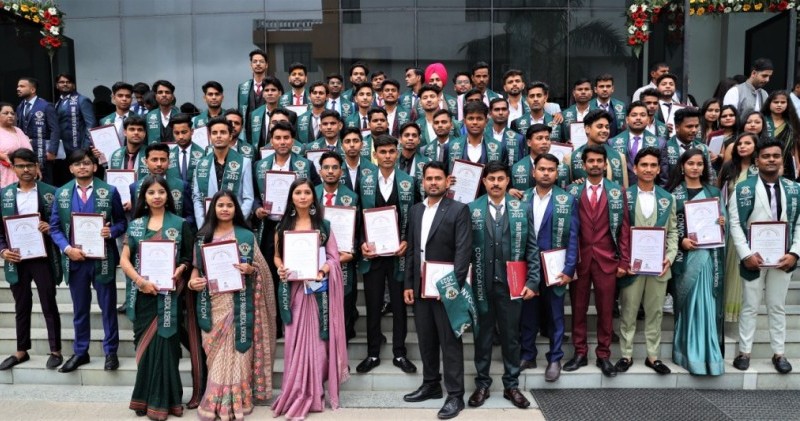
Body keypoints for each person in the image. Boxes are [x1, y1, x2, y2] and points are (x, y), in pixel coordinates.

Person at [187, 190, 276, 420]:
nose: (225, 209)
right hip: (213, 303)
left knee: (238, 351)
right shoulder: (202, 237)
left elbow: (262, 270)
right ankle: (214, 399)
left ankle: (238, 400)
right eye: (220, 205)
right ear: (213, 209)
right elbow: (196, 269)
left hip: (240, 304)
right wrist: (192, 282)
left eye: (229, 205)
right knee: (216, 354)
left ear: (236, 209)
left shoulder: (246, 236)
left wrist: (251, 269)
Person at [271, 179, 348, 420]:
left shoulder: (323, 226)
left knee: (318, 345)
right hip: (294, 291)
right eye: (298, 192)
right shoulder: (282, 226)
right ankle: (295, 391)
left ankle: (315, 392)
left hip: (317, 292)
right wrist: (280, 268)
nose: (303, 196)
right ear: (291, 197)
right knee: (294, 342)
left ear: (313, 197)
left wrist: (322, 271)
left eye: (307, 192)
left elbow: (334, 257)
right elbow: (277, 256)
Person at [119, 175, 193, 419]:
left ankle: (167, 401)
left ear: (168, 196)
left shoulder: (180, 224)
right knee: (146, 348)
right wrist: (140, 281)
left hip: (169, 296)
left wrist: (181, 269)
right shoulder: (136, 225)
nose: (157, 196)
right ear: (144, 197)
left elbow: (188, 257)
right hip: (144, 295)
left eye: (161, 191)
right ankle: (144, 398)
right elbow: (124, 260)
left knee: (167, 348)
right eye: (151, 192)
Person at [403, 161, 471, 420]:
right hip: (421, 287)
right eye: (429, 178)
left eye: (438, 178)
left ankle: (455, 395)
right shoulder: (416, 210)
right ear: (423, 182)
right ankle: (431, 384)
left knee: (450, 341)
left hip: (446, 289)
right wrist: (409, 284)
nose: (433, 182)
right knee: (426, 338)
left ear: (447, 181)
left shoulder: (458, 209)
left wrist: (452, 287)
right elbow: (412, 250)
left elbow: (463, 251)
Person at [49, 149, 127, 373]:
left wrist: (111, 232)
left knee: (108, 307)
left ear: (94, 166)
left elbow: (122, 222)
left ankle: (110, 351)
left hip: (102, 259)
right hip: (76, 260)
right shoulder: (61, 193)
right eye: (77, 164)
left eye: (86, 163)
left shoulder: (109, 191)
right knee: (80, 308)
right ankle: (80, 351)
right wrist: (67, 249)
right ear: (70, 168)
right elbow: (54, 228)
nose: (82, 167)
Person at [729, 138, 799, 374]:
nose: (771, 160)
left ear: (781, 160)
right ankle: (744, 352)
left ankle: (779, 353)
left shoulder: (794, 189)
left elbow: (799, 224)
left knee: (777, 306)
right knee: (750, 305)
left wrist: (794, 252)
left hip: (783, 258)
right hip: (754, 258)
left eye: (775, 156)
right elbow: (735, 223)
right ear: (757, 160)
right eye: (766, 156)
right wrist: (746, 254)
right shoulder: (743, 189)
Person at [466, 161, 532, 409]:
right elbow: (463, 248)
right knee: (482, 336)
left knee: (511, 337)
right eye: (491, 179)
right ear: (484, 182)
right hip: (481, 284)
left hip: (511, 285)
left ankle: (511, 385)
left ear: (507, 181)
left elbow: (532, 247)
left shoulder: (521, 208)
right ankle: (482, 384)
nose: (495, 183)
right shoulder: (471, 209)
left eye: (500, 178)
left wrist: (533, 281)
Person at [563, 144, 630, 378]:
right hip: (579, 259)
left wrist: (624, 261)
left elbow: (624, 229)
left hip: (607, 260)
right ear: (583, 165)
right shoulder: (571, 191)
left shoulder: (617, 191)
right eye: (590, 161)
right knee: (578, 309)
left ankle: (604, 355)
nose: (595, 164)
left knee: (605, 310)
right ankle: (580, 353)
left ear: (605, 164)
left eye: (599, 161)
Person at [355, 135, 418, 375]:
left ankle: (400, 353)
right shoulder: (364, 180)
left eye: (392, 151)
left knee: (400, 306)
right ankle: (373, 353)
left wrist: (407, 241)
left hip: (398, 254)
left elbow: (415, 217)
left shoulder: (408, 182)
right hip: (373, 255)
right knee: (373, 305)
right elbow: (357, 217)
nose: (388, 156)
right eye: (383, 152)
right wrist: (361, 243)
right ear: (375, 155)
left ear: (397, 153)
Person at [616, 148, 678, 375]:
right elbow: (618, 231)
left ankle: (653, 356)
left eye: (653, 165)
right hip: (632, 266)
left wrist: (669, 257)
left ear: (659, 169)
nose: (649, 169)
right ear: (635, 168)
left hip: (658, 266)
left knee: (655, 312)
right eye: (644, 165)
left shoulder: (668, 198)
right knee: (628, 311)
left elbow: (673, 232)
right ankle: (626, 354)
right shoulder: (624, 195)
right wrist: (624, 261)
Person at [0, 148, 62, 371]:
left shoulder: (51, 193)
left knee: (48, 302)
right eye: (20, 165)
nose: (25, 169)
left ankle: (55, 349)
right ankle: (21, 350)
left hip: (42, 256)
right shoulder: (4, 195)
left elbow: (63, 224)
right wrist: (2, 251)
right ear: (13, 168)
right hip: (16, 257)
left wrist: (50, 228)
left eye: (29, 165)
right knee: (21, 304)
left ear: (37, 166)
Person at [665, 149, 726, 376]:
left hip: (708, 258)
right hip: (685, 259)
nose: (695, 168)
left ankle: (709, 356)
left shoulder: (714, 192)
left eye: (699, 164)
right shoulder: (673, 194)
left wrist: (723, 223)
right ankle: (688, 353)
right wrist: (682, 241)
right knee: (689, 306)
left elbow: (724, 227)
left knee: (706, 304)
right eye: (690, 163)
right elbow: (669, 227)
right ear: (682, 166)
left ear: (704, 167)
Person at [521, 153, 579, 382]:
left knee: (556, 314)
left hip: (555, 266)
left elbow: (573, 236)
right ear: (533, 171)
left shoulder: (567, 200)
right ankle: (528, 354)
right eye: (542, 169)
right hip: (528, 266)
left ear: (557, 173)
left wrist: (570, 267)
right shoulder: (522, 198)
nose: (546, 173)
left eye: (551, 170)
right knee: (528, 312)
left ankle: (555, 358)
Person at [316, 151, 360, 341]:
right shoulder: (311, 194)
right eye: (326, 167)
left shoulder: (352, 197)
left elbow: (358, 231)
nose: (330, 171)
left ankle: (341, 348)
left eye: (335, 167)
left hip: (343, 259)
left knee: (344, 303)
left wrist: (353, 251)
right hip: (317, 260)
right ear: (320, 171)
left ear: (341, 172)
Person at [718, 134, 758, 323]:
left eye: (747, 143)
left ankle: (741, 314)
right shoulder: (729, 167)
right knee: (729, 268)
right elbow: (718, 193)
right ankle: (725, 313)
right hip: (729, 226)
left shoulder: (759, 169)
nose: (742, 146)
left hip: (751, 226)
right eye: (739, 143)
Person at [191, 117, 254, 229]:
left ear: (230, 136)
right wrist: (203, 226)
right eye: (214, 133)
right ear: (210, 137)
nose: (218, 136)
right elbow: (197, 199)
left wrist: (235, 224)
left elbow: (248, 198)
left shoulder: (244, 162)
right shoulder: (201, 164)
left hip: (236, 226)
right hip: (208, 226)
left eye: (223, 132)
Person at [564, 109, 628, 188]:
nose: (605, 130)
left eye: (607, 127)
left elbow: (625, 190)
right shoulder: (570, 158)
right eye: (600, 126)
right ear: (587, 129)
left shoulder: (619, 157)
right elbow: (567, 189)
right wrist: (576, 186)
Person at [609, 102, 664, 186]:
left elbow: (663, 177)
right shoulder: (612, 143)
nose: (638, 118)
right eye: (634, 115)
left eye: (642, 115)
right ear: (627, 119)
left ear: (648, 120)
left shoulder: (660, 143)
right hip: (622, 190)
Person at [55, 74, 96, 185]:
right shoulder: (58, 102)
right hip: (63, 151)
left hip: (79, 148)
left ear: (73, 85)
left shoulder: (82, 100)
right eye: (62, 82)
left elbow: (91, 125)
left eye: (68, 82)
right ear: (57, 85)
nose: (65, 84)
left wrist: (85, 148)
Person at [16, 77, 59, 184]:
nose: (18, 89)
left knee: (45, 180)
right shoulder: (20, 106)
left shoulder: (46, 106)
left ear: (32, 89)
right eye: (18, 86)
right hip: (27, 151)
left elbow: (55, 129)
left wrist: (52, 151)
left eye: (22, 86)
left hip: (43, 149)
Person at [764, 90, 800, 181]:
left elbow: (794, 147)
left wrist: (797, 163)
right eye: (776, 102)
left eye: (783, 102)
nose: (779, 105)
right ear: (769, 103)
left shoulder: (792, 123)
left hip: (786, 165)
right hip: (765, 162)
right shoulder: (761, 120)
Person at [238, 49, 269, 142]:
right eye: (255, 61)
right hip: (249, 136)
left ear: (266, 65)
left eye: (261, 61)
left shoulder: (274, 86)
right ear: (251, 65)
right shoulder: (243, 87)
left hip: (268, 134)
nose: (258, 64)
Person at [0, 102, 33, 187]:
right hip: (4, 171)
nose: (10, 116)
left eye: (12, 113)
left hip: (23, 171)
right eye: (6, 113)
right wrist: (3, 156)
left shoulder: (18, 130)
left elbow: (29, 151)